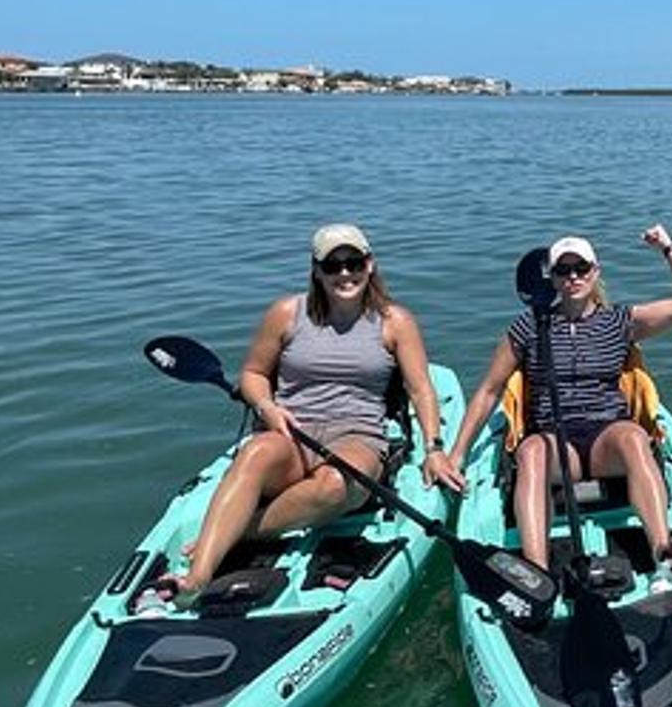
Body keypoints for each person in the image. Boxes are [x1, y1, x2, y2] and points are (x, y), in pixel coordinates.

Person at [164, 224, 463, 603]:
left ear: (369, 265)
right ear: (316, 270)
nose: (344, 274)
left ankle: (240, 530)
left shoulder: (395, 322)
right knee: (253, 454)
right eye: (332, 265)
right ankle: (197, 577)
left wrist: (434, 448)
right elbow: (254, 375)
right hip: (291, 432)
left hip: (358, 437)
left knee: (335, 484)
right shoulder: (286, 313)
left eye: (353, 262)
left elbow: (421, 389)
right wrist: (267, 407)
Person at [449, 224, 672, 577]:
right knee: (530, 451)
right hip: (556, 444)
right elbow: (489, 390)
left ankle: (663, 548)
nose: (573, 277)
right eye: (563, 271)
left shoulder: (619, 321)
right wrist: (456, 455)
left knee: (633, 437)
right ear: (552, 278)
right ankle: (535, 568)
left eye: (581, 268)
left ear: (595, 271)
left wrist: (667, 249)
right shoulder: (529, 327)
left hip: (606, 439)